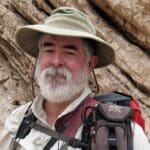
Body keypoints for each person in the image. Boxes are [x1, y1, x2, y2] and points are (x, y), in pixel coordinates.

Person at [0, 7, 149, 150]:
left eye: (69, 52)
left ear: (90, 64)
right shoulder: (19, 120)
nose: (56, 61)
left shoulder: (121, 134)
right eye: (49, 50)